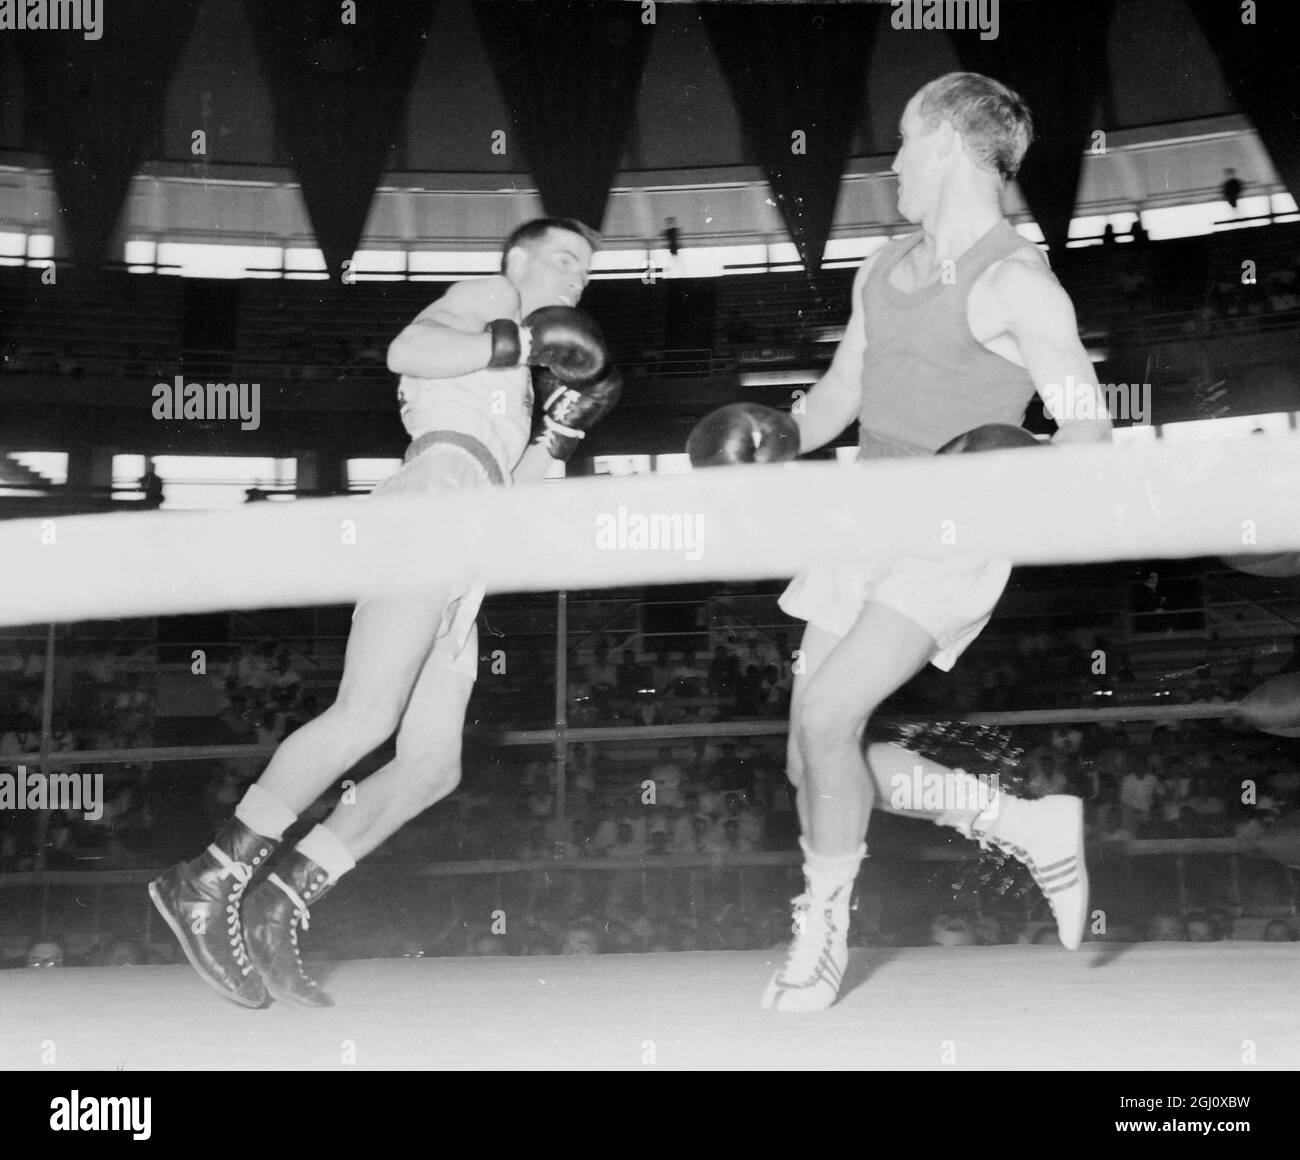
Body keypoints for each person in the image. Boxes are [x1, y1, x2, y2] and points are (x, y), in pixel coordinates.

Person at [688, 73, 1111, 1011]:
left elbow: (1088, 427)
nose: (891, 163)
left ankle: (825, 930)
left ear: (953, 148)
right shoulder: (882, 267)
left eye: (905, 143)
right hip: (861, 518)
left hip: (950, 532)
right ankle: (1023, 824)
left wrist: (1019, 467)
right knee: (812, 755)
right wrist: (777, 434)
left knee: (833, 716)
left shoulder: (1016, 282)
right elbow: (843, 393)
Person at [150, 218, 620, 1009]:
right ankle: (209, 878)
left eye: (586, 271)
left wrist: (562, 433)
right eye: (565, 260)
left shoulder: (519, 360)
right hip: (430, 507)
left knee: (433, 765)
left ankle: (282, 898)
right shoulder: (489, 297)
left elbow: (516, 496)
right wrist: (511, 345)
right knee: (366, 714)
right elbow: (405, 352)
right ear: (517, 259)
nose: (577, 280)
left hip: (471, 536)